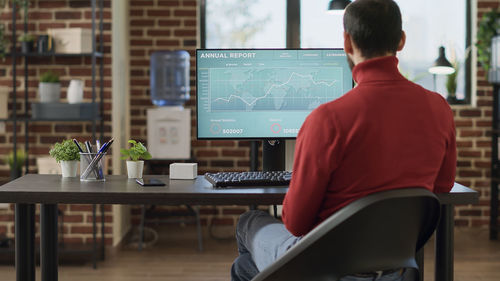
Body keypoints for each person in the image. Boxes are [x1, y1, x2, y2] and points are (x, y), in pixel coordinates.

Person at [231, 0, 456, 280]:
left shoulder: (327, 119)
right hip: (395, 264)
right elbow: (443, 186)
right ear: (401, 40)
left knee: (248, 223)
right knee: (245, 267)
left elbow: (296, 223)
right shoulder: (439, 109)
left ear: (347, 43)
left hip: (326, 265)